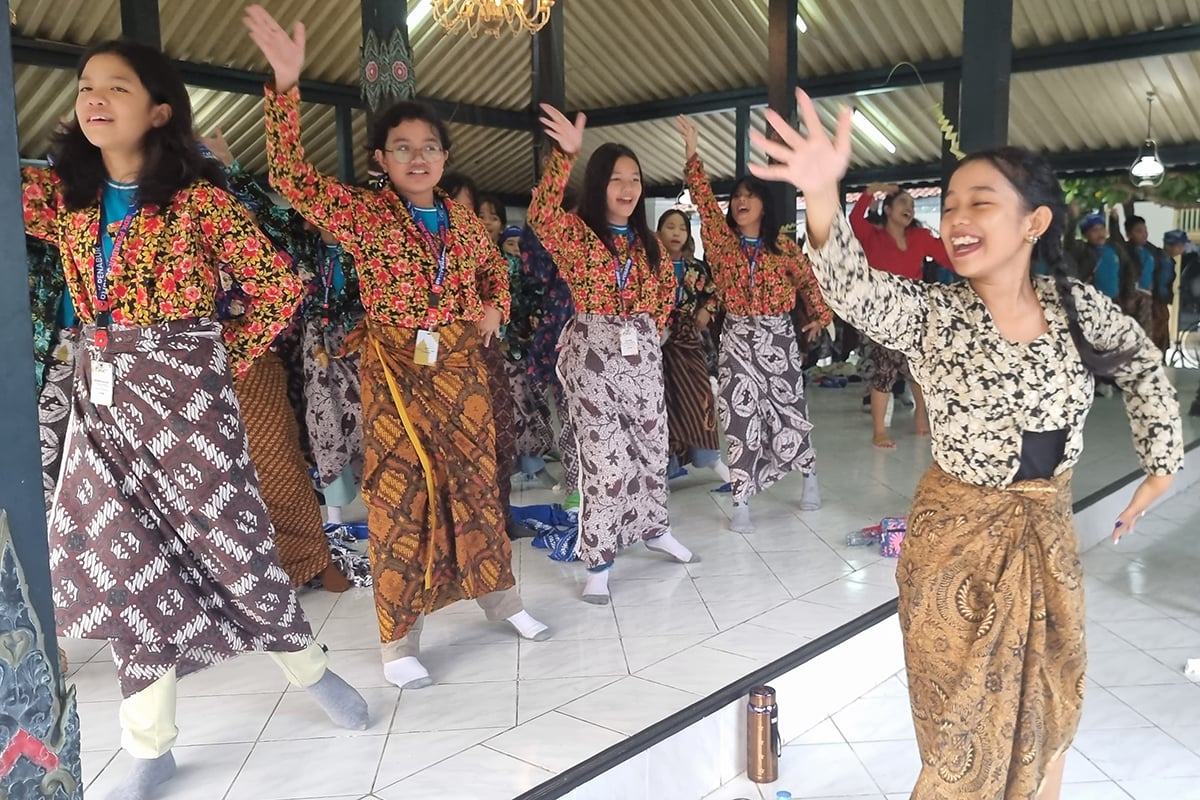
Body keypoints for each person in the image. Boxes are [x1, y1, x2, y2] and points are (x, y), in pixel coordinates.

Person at [752, 88, 1182, 800]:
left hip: (1046, 533)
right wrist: (824, 196)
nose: (955, 219)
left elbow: (1140, 359)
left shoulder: (1079, 310)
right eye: (948, 204)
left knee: (1050, 700)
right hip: (955, 547)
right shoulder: (932, 313)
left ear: (1033, 221)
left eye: (979, 202)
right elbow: (855, 291)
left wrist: (1162, 462)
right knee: (959, 727)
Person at [22, 39, 369, 800]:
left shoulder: (199, 200)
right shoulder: (65, 205)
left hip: (189, 402)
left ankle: (309, 670)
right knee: (128, 567)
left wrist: (215, 356)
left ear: (160, 110)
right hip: (104, 403)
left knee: (235, 546)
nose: (94, 99)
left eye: (117, 86)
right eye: (85, 87)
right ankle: (150, 747)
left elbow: (280, 284)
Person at [246, 5, 550, 690]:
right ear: (383, 159)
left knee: (476, 482)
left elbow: (491, 268)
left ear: (444, 157)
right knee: (400, 494)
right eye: (404, 147)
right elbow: (292, 177)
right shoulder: (364, 214)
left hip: (462, 368)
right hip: (395, 370)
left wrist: (493, 304)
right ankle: (398, 636)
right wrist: (285, 89)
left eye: (430, 147)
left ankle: (501, 599)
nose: (419, 157)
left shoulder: (467, 226)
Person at [529, 103, 698, 604]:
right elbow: (540, 214)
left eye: (635, 179)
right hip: (592, 358)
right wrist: (565, 156)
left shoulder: (650, 244)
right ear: (599, 183)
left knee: (650, 447)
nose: (628, 188)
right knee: (605, 457)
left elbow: (665, 299)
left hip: (643, 354)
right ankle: (599, 560)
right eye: (617, 179)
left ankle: (654, 528)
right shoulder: (578, 236)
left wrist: (649, 332)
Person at [677, 115, 830, 534]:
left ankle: (808, 474)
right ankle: (742, 498)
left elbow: (808, 281)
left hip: (778, 335)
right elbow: (703, 200)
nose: (740, 202)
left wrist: (820, 315)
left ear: (764, 205)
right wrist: (693, 152)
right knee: (738, 415)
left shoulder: (782, 247)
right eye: (736, 198)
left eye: (749, 196)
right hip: (738, 337)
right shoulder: (721, 242)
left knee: (787, 408)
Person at [849, 183, 950, 447]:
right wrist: (872, 190)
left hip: (915, 314)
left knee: (918, 370)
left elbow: (948, 258)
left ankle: (921, 418)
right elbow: (853, 219)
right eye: (904, 202)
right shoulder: (873, 236)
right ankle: (879, 431)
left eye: (912, 205)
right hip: (882, 315)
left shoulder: (921, 237)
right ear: (888, 209)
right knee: (884, 371)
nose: (910, 208)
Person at [656, 209, 730, 483]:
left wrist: (706, 310)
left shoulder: (696, 268)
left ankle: (710, 458)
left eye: (682, 228)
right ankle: (667, 466)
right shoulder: (648, 263)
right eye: (670, 227)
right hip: (654, 342)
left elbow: (715, 291)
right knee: (663, 404)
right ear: (659, 232)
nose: (676, 233)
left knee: (700, 397)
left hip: (687, 340)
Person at [1109, 212, 1175, 351]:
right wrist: (1114, 220)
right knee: (1131, 333)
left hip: (1148, 297)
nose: (1144, 234)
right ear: (1129, 234)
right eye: (1139, 231)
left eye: (1145, 230)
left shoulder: (1149, 250)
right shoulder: (1126, 249)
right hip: (1133, 296)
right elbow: (1116, 237)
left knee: (1147, 335)